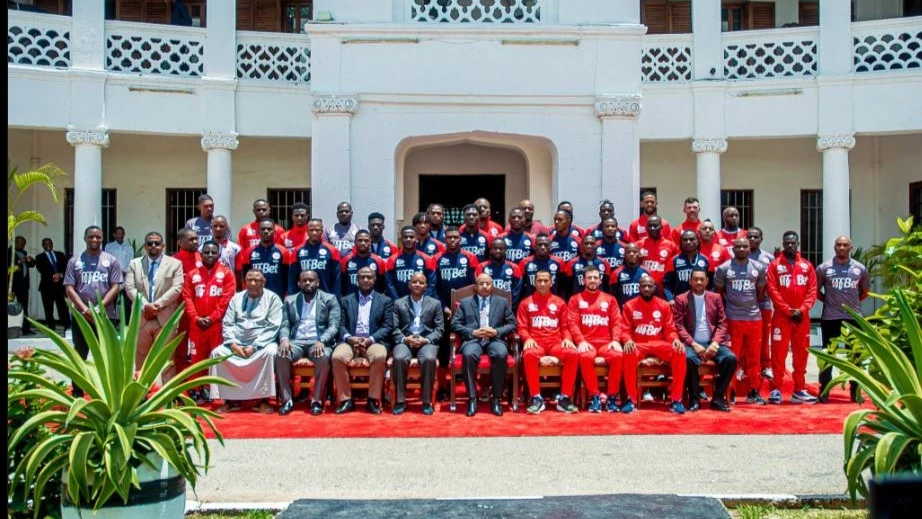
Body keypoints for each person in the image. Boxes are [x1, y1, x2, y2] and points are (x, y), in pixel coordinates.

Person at [211, 270, 283, 414]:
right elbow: (228, 323)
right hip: (236, 343)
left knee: (270, 353)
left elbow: (273, 326)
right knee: (217, 353)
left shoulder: (273, 299)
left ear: (263, 282)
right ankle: (230, 400)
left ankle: (263, 400)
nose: (252, 283)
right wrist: (232, 344)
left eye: (257, 280)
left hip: (262, 343)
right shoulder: (236, 298)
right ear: (244, 282)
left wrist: (255, 346)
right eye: (249, 280)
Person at [64, 226, 123, 397]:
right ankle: (77, 391)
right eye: (91, 237)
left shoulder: (111, 260)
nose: (94, 240)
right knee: (80, 354)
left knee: (106, 355)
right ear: (85, 238)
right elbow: (69, 288)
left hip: (105, 316)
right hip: (82, 317)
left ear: (102, 239)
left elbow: (116, 286)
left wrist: (98, 308)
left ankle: (108, 392)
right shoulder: (74, 261)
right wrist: (84, 310)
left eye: (98, 237)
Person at [276, 270, 342, 416]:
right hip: (296, 342)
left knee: (323, 356)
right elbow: (285, 324)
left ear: (317, 282)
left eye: (311, 280)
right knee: (281, 354)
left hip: (318, 341)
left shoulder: (329, 299)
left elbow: (334, 326)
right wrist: (285, 339)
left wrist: (322, 340)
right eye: (304, 280)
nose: (307, 283)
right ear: (299, 283)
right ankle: (287, 400)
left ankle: (317, 400)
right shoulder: (290, 300)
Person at [451, 273, 516, 417]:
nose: (485, 286)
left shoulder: (501, 302)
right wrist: (473, 332)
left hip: (495, 339)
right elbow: (455, 324)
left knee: (500, 354)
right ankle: (472, 399)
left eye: (488, 284)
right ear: (476, 287)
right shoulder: (466, 302)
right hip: (473, 340)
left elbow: (512, 324)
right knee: (468, 354)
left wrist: (496, 331)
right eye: (481, 284)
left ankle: (496, 398)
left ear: (492, 287)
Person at [620, 275, 687, 414]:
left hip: (659, 343)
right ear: (639, 288)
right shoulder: (629, 305)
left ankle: (676, 400)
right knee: (628, 353)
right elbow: (625, 330)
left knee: (679, 351)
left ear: (655, 288)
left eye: (649, 286)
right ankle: (631, 399)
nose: (646, 288)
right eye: (643, 286)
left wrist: (675, 339)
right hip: (639, 344)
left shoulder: (663, 305)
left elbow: (670, 329)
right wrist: (628, 340)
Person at [332, 267, 394, 415]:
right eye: (362, 277)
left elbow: (388, 326)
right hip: (350, 341)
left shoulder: (385, 301)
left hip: (373, 341)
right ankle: (346, 400)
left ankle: (373, 400)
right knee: (337, 357)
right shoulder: (345, 300)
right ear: (356, 280)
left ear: (374, 279)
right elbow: (339, 325)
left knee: (379, 356)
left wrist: (370, 339)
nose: (366, 280)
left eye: (369, 277)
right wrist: (349, 338)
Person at [673, 269, 736, 412]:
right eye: (695, 279)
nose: (699, 282)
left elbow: (722, 323)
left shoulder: (715, 297)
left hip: (712, 342)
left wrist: (715, 343)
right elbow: (679, 325)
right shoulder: (681, 299)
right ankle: (694, 398)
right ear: (690, 281)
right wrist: (694, 344)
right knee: (688, 358)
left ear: (707, 281)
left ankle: (718, 398)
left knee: (730, 359)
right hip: (691, 342)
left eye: (702, 279)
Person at [766, 231, 818, 404]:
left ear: (797, 244)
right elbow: (772, 290)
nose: (789, 245)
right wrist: (789, 311)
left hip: (802, 318)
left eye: (793, 243)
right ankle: (776, 389)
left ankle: (799, 389)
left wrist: (802, 310)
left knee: (801, 354)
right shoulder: (775, 265)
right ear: (783, 243)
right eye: (786, 243)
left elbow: (812, 291)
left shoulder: (807, 266)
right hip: (782, 317)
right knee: (779, 355)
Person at [815, 235, 869, 402]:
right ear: (834, 247)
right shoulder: (824, 268)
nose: (841, 247)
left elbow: (865, 292)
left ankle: (855, 391)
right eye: (838, 245)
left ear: (850, 248)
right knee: (828, 354)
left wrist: (851, 306)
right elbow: (816, 291)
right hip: (830, 317)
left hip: (853, 319)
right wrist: (829, 302)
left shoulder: (859, 269)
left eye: (845, 245)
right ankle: (824, 391)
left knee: (855, 355)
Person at [714, 238, 768, 405]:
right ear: (733, 249)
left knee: (754, 357)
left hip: (753, 318)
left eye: (745, 246)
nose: (742, 249)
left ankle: (753, 391)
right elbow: (719, 293)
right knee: (732, 357)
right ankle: (730, 391)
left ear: (749, 248)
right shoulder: (723, 268)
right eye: (738, 246)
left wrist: (749, 305)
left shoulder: (758, 268)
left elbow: (760, 293)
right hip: (732, 318)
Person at [518, 270, 579, 414]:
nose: (543, 284)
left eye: (546, 281)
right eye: (539, 281)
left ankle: (564, 398)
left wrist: (567, 339)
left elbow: (565, 326)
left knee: (572, 353)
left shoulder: (559, 302)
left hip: (555, 342)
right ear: (534, 282)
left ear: (551, 283)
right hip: (536, 342)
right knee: (529, 354)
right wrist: (527, 339)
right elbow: (521, 327)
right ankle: (536, 398)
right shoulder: (526, 303)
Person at [182, 241, 236, 403]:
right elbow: (187, 297)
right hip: (196, 325)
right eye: (207, 252)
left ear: (219, 255)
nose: (210, 255)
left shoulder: (226, 273)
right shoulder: (192, 274)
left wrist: (212, 318)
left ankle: (214, 390)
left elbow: (227, 298)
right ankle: (196, 390)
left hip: (217, 325)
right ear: (201, 253)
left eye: (213, 252)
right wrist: (195, 318)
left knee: (217, 357)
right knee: (197, 359)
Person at [124, 232, 184, 376]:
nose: (153, 246)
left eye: (157, 243)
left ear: (163, 246)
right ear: (145, 246)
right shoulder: (135, 264)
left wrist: (156, 306)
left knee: (167, 360)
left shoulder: (175, 264)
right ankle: (142, 396)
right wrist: (145, 305)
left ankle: (167, 395)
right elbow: (129, 287)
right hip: (141, 320)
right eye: (150, 243)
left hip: (165, 320)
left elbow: (177, 288)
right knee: (140, 360)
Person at [567, 265, 625, 413]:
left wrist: (615, 340)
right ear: (584, 280)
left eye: (595, 278)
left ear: (600, 280)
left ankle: (612, 397)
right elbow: (572, 323)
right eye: (589, 278)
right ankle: (595, 397)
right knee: (585, 356)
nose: (592, 280)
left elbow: (617, 322)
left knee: (618, 355)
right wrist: (580, 341)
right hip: (587, 342)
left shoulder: (610, 299)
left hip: (606, 342)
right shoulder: (575, 299)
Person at [391, 272, 444, 415]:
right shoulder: (398, 303)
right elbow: (393, 328)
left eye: (421, 282)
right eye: (414, 282)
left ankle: (426, 401)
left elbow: (439, 330)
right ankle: (400, 401)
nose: (417, 285)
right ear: (409, 285)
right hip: (405, 341)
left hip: (426, 341)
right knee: (399, 358)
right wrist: (404, 339)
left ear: (426, 286)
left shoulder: (435, 304)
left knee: (429, 359)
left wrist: (425, 340)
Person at [748, 226, 775, 381]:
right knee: (747, 338)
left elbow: (771, 283)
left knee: (764, 337)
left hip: (763, 303)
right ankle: (745, 366)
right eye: (750, 237)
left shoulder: (768, 258)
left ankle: (765, 366)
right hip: (744, 305)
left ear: (761, 239)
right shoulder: (738, 255)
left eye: (756, 237)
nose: (752, 240)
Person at [240, 218, 291, 297]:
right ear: (258, 232)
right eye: (263, 229)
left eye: (269, 229)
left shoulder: (283, 251)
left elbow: (287, 277)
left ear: (274, 232)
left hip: (277, 296)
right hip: (255, 296)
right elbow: (245, 277)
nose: (266, 231)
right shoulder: (249, 252)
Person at [288, 218, 340, 296]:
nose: (314, 232)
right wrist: (292, 295)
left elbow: (336, 278)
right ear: (307, 231)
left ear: (322, 231)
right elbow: (292, 277)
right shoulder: (297, 250)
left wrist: (335, 297)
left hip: (326, 296)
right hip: (303, 297)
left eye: (317, 230)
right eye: (311, 230)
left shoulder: (332, 250)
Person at [385, 226, 436, 300]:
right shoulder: (392, 259)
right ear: (401, 239)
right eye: (405, 237)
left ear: (417, 239)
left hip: (422, 303)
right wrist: (398, 301)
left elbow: (432, 283)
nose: (408, 239)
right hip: (398, 302)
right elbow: (389, 284)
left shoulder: (427, 259)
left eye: (411, 237)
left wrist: (423, 301)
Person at [636, 215, 679, 296]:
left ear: (661, 227)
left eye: (655, 225)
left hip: (663, 289)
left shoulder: (671, 246)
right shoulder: (638, 245)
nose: (652, 228)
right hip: (644, 288)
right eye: (650, 226)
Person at [663, 230, 710, 303]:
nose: (688, 242)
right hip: (679, 302)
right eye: (685, 240)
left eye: (691, 239)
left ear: (697, 242)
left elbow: (712, 284)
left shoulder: (706, 260)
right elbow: (667, 285)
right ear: (681, 243)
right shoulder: (673, 261)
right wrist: (670, 299)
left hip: (701, 301)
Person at [476, 237, 523, 308]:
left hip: (507, 307)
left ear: (505, 250)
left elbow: (516, 291)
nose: (498, 251)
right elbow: (477, 287)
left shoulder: (514, 267)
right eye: (495, 248)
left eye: (501, 248)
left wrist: (508, 305)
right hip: (486, 306)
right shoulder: (481, 267)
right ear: (490, 250)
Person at [35, 238, 69, 331]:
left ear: (52, 244)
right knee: (48, 308)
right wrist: (54, 276)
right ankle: (51, 328)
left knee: (63, 307)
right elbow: (41, 269)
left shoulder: (60, 255)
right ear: (43, 245)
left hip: (60, 287)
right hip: (46, 287)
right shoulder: (39, 257)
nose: (48, 245)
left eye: (50, 243)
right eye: (45, 244)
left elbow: (66, 267)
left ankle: (67, 325)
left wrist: (60, 274)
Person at [340, 230, 387, 296]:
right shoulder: (346, 260)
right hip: (351, 300)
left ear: (370, 242)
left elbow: (382, 284)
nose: (363, 243)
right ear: (355, 242)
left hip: (373, 301)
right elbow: (342, 283)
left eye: (366, 240)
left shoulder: (378, 261)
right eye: (360, 240)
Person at [520, 234, 565, 299]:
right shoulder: (524, 262)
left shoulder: (559, 262)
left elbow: (562, 287)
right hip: (531, 302)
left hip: (552, 302)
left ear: (550, 247)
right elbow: (521, 287)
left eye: (546, 245)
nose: (543, 247)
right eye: (540, 245)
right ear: (534, 247)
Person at [104, 226, 134, 319]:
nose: (120, 235)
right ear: (114, 234)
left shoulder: (129, 248)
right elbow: (106, 261)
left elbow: (131, 262)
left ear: (124, 235)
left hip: (125, 278)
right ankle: (111, 322)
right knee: (111, 301)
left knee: (127, 302)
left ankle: (126, 323)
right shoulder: (109, 247)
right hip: (113, 278)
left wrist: (126, 272)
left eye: (122, 233)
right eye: (118, 233)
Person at [10, 236, 35, 334]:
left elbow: (31, 265)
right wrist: (19, 261)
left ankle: (26, 329)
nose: (23, 246)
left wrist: (31, 261)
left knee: (24, 307)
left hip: (23, 285)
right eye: (21, 243)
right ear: (15, 243)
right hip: (11, 285)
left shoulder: (24, 253)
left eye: (24, 244)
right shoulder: (9, 252)